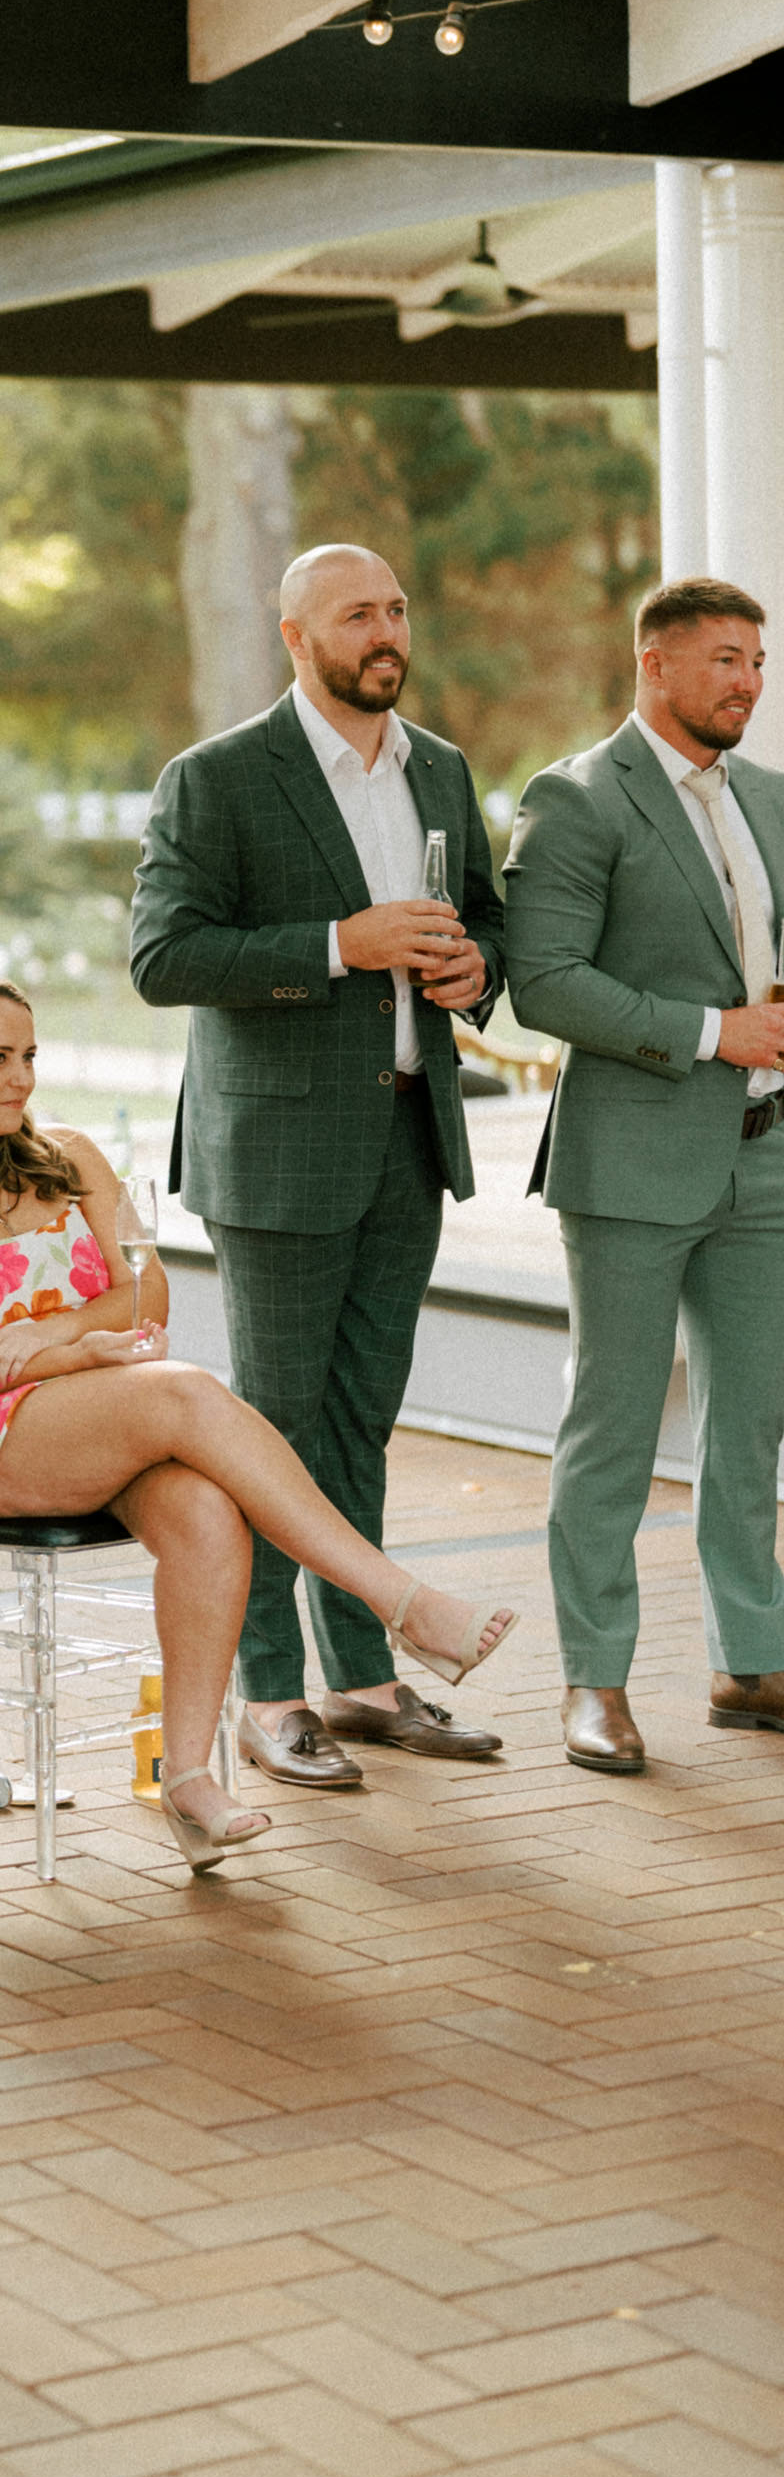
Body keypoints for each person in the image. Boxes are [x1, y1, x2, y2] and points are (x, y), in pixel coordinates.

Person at [0, 969, 518, 1871]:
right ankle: (403, 1604)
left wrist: (54, 1332)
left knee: (207, 1511)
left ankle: (191, 1780)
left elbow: (148, 1293)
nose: (23, 1078)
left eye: (31, 1055)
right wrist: (78, 1355)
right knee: (182, 1391)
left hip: (99, 1415)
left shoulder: (73, 1158)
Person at [129, 546, 508, 1792]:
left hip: (408, 1137)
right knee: (272, 1428)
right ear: (296, 637)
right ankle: (264, 1694)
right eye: (356, 615)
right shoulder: (216, 778)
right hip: (278, 1153)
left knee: (359, 1422)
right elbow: (163, 957)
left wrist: (475, 972)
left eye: (395, 609)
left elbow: (486, 924)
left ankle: (358, 1677)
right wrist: (341, 944)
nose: (385, 632)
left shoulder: (437, 768)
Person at [505, 577, 784, 1774]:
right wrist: (712, 1032)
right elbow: (544, 982)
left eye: (756, 660)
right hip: (626, 1162)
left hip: (764, 1161)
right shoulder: (574, 798)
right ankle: (593, 1681)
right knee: (611, 1429)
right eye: (723, 658)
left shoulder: (768, 799)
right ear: (652, 663)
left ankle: (748, 1659)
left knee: (749, 1428)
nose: (747, 682)